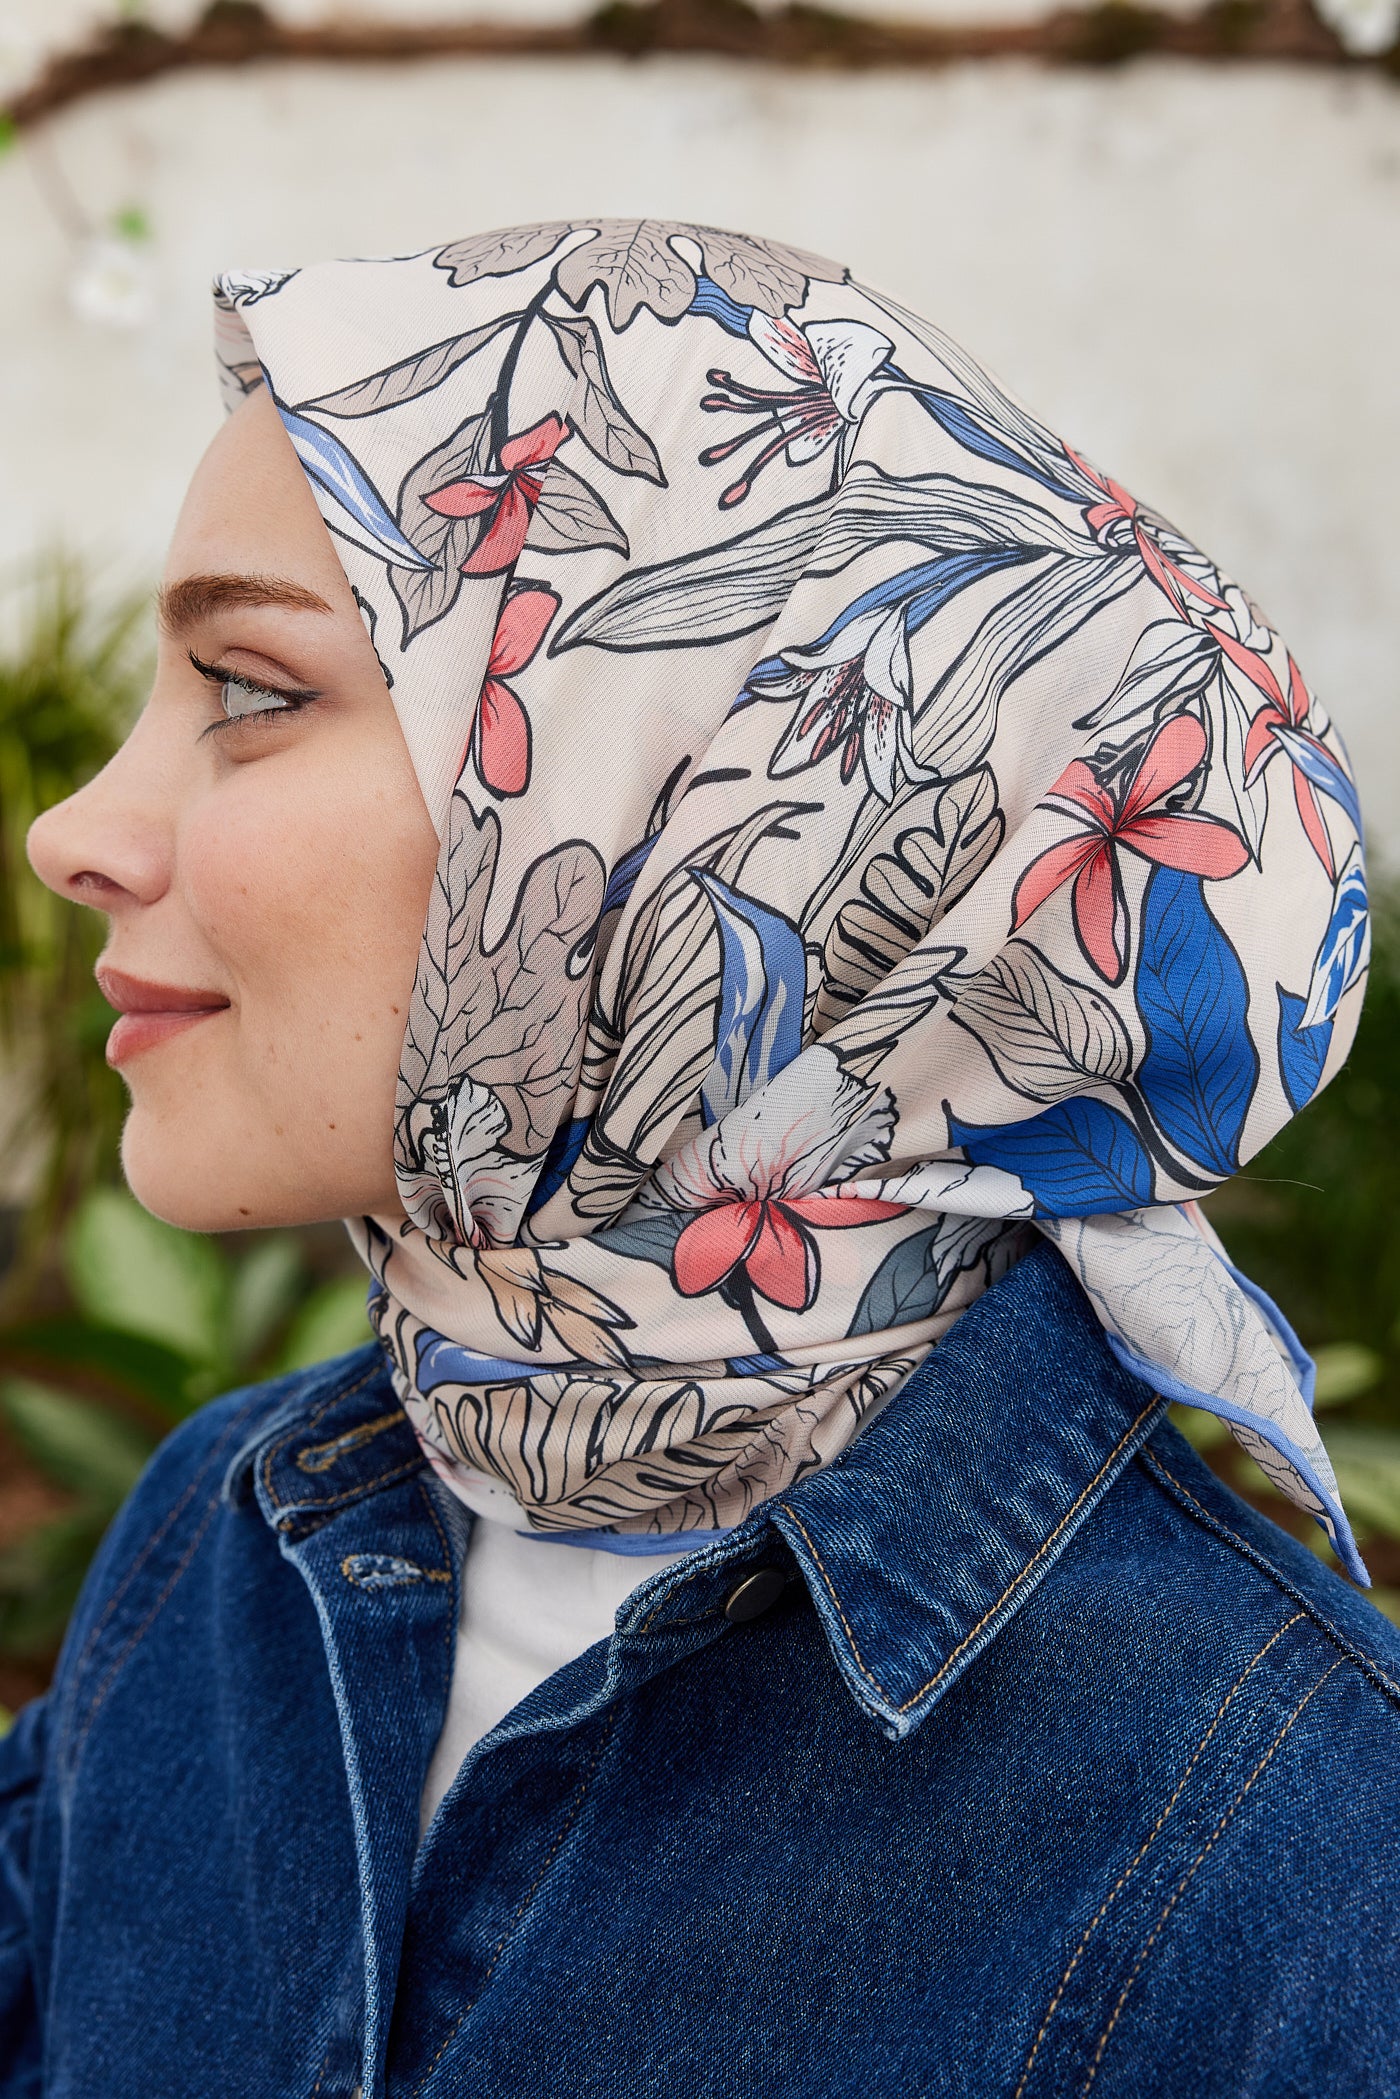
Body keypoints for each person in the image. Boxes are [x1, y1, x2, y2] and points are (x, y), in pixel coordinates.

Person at [3, 217, 1396, 2098]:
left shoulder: (1296, 1861)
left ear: (714, 815)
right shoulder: (221, 1544)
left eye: (253, 691)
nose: (76, 832)